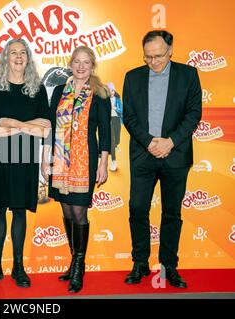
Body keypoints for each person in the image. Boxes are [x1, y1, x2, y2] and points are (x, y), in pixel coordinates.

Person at [122, 30, 202, 288]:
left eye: (158, 56)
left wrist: (170, 141)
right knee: (137, 208)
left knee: (171, 213)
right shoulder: (132, 77)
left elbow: (193, 113)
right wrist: (148, 142)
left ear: (170, 51)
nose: (153, 62)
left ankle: (169, 266)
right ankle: (140, 263)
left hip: (175, 155)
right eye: (148, 57)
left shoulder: (188, 75)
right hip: (143, 154)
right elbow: (129, 116)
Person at [0, 38, 51, 289]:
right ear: (5, 58)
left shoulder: (38, 88)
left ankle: (19, 267)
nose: (18, 57)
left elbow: (45, 130)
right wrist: (27, 126)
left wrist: (11, 122)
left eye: (23, 52)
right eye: (13, 53)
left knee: (19, 210)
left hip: (26, 157)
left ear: (28, 57)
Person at [41, 46, 111, 293]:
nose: (81, 67)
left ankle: (80, 266)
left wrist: (103, 163)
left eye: (86, 63)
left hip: (85, 160)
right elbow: (49, 126)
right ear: (70, 64)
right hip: (59, 160)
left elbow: (105, 131)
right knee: (68, 211)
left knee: (80, 213)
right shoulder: (60, 90)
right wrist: (45, 157)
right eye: (77, 62)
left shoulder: (100, 93)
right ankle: (73, 259)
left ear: (92, 66)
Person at [107, 82, 123, 171]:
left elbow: (122, 110)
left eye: (112, 90)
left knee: (117, 138)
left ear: (114, 90)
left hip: (116, 119)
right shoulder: (105, 100)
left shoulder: (118, 100)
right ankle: (114, 161)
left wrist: (115, 108)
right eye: (109, 91)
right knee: (112, 140)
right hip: (109, 120)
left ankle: (116, 145)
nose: (111, 92)